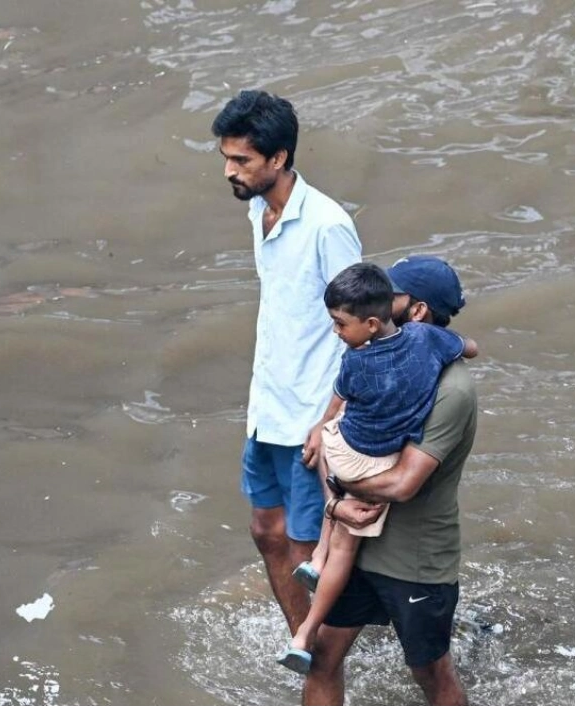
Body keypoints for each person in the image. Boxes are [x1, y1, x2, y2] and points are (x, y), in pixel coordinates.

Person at [276, 262, 478, 675]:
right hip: (359, 545)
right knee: (323, 661)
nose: (384, 299)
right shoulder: (376, 357)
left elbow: (402, 483)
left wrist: (335, 499)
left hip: (412, 560)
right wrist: (336, 502)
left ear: (416, 311)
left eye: (393, 295)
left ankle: (319, 560)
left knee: (432, 675)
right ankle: (309, 608)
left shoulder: (452, 389)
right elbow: (332, 431)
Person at [211, 90, 362, 634]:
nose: (229, 170)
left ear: (278, 159)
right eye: (226, 158)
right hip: (268, 409)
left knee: (304, 547)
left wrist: (329, 420)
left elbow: (363, 333)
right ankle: (306, 639)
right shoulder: (258, 209)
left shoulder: (327, 226)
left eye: (241, 161)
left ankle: (320, 653)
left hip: (310, 420)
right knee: (265, 531)